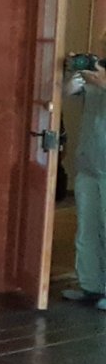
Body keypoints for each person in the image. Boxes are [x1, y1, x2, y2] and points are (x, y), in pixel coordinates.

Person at [62, 53, 106, 310]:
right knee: (86, 228)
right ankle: (90, 286)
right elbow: (67, 93)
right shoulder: (94, 71)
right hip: (88, 161)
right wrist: (71, 78)